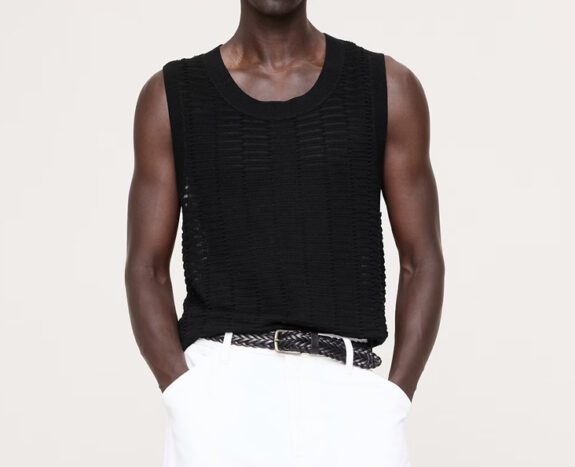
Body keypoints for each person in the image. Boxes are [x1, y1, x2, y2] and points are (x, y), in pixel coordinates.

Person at [125, 1, 444, 465]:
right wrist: (184, 394)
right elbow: (146, 267)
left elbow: (422, 259)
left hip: (351, 393)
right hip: (221, 391)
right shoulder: (172, 96)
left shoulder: (387, 87)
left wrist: (394, 397)